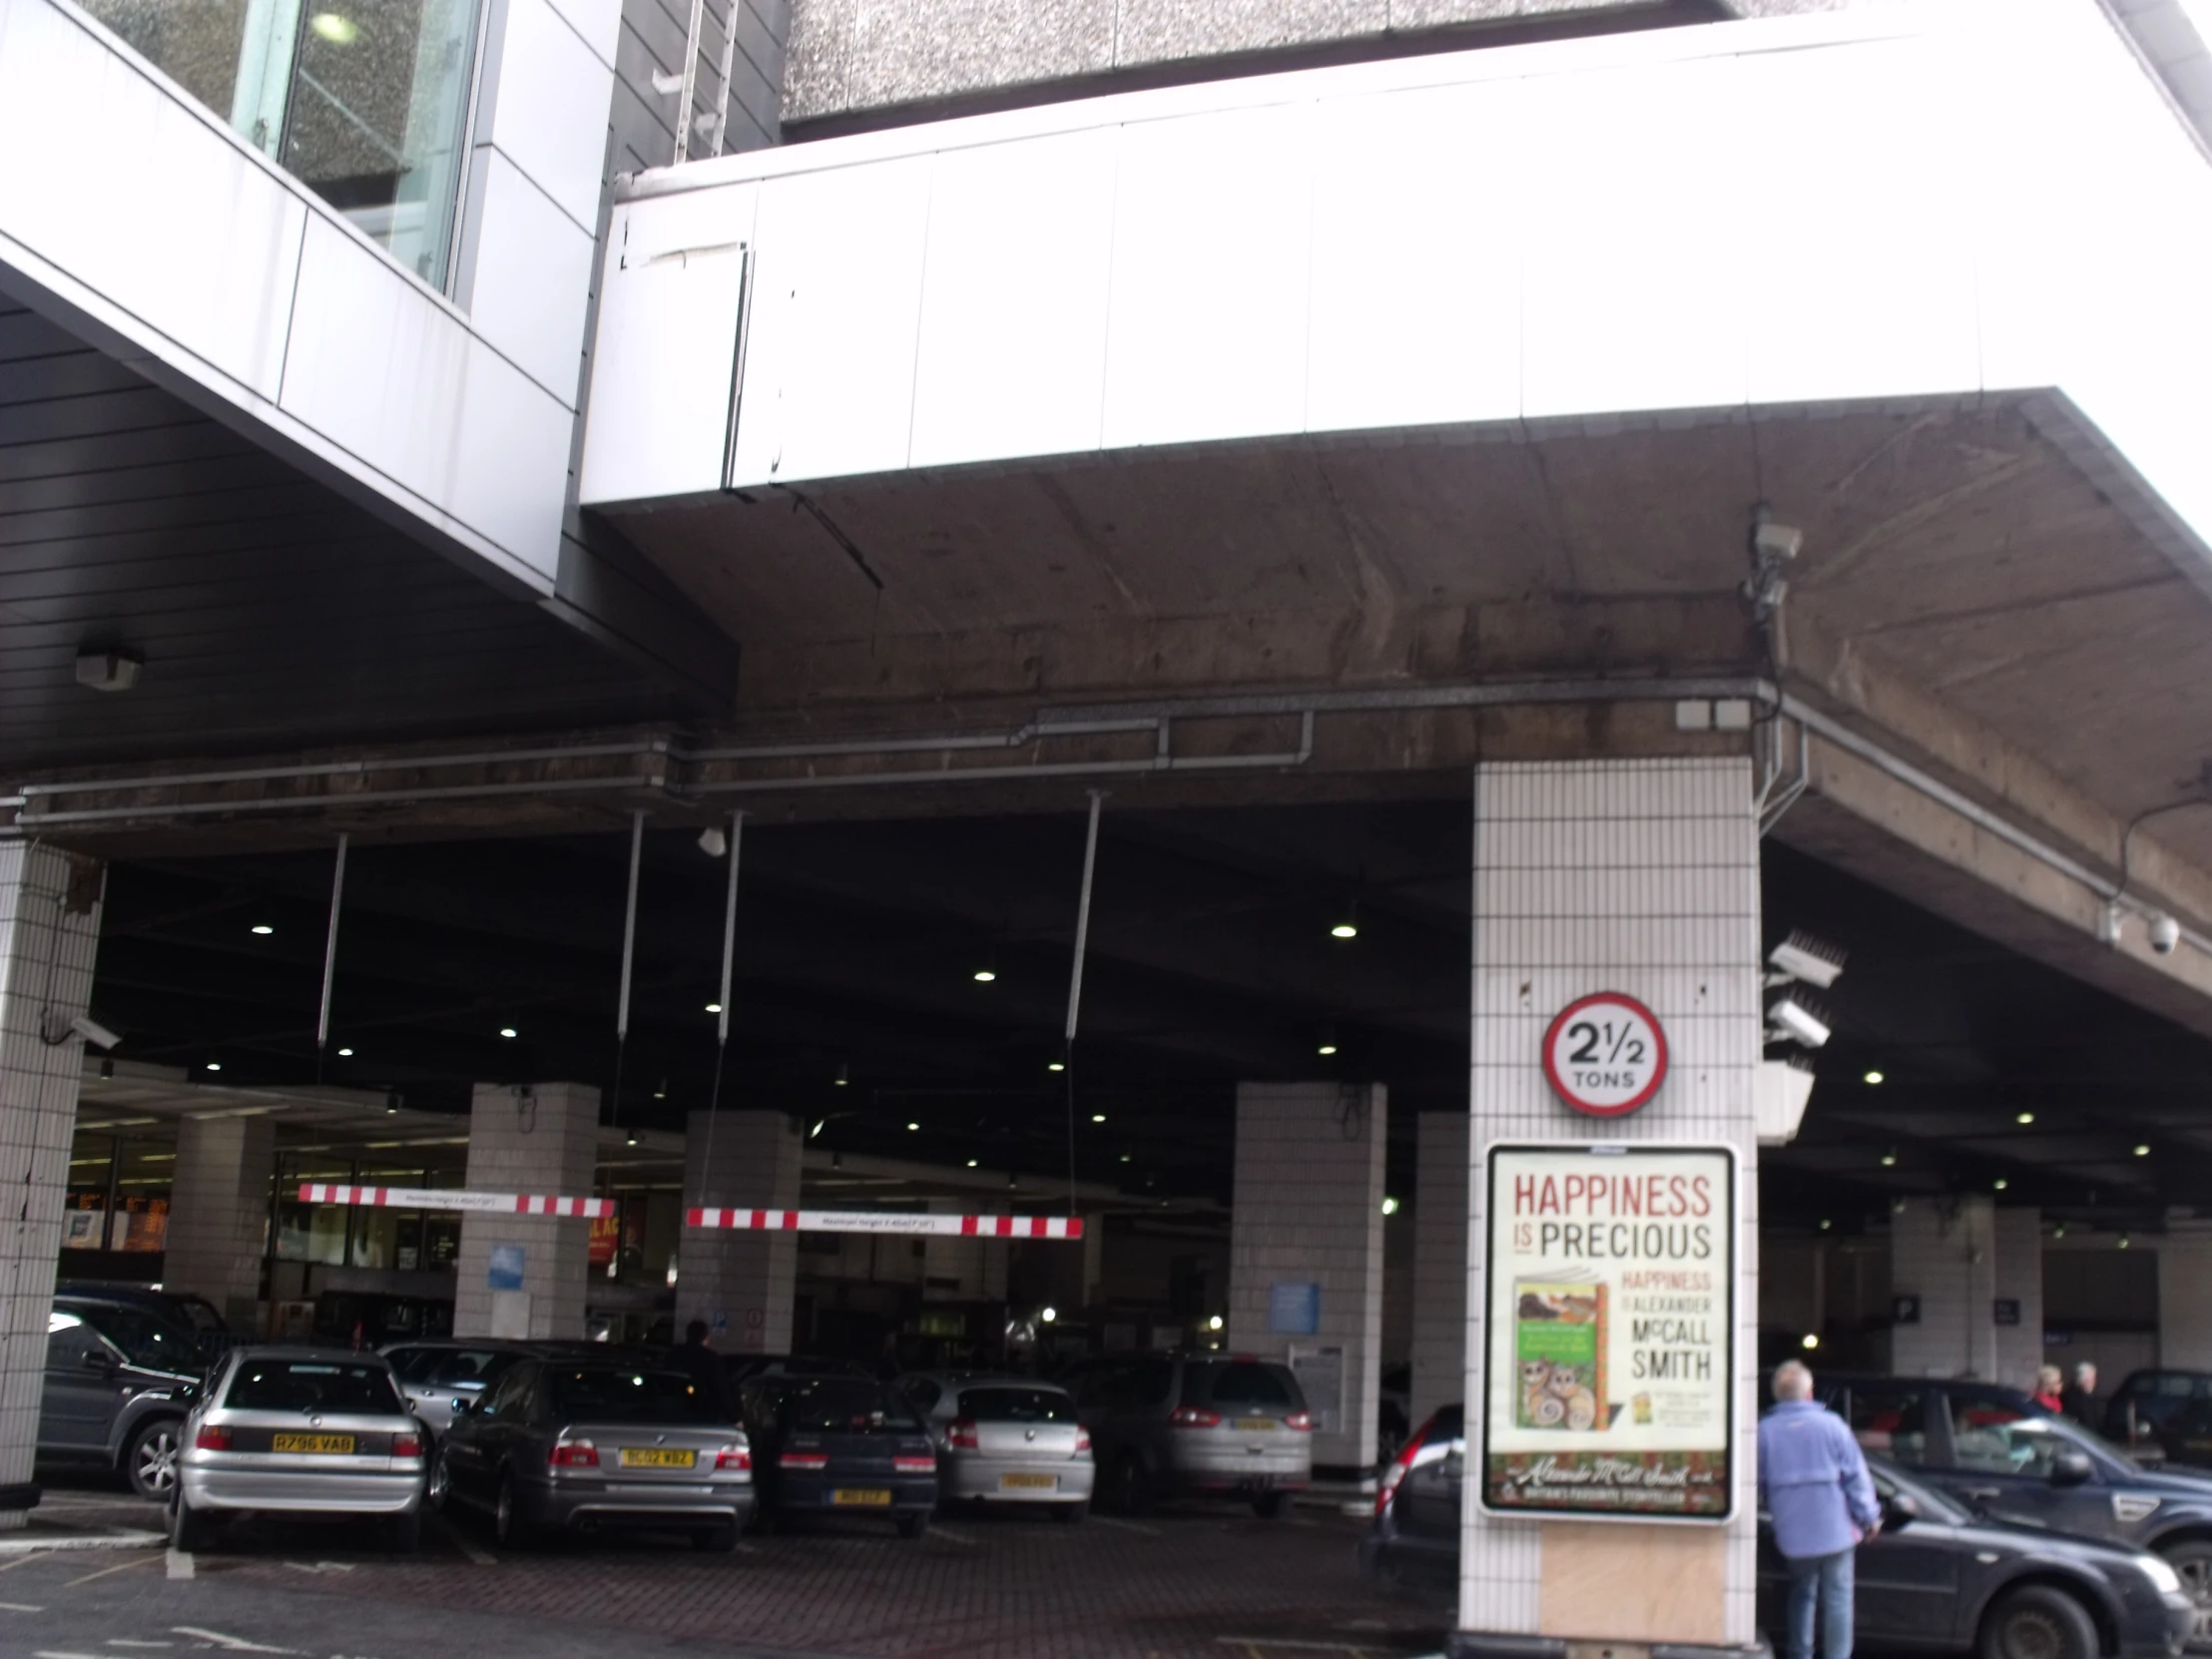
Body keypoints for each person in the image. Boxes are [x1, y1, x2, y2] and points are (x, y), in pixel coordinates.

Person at [1761, 1361, 1881, 1659]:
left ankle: (1800, 1654)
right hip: (1835, 1532)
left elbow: (1757, 1484)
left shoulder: (1763, 1433)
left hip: (1793, 1536)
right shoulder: (1833, 1426)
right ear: (1809, 1393)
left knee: (1801, 1594)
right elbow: (1857, 1478)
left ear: (1778, 1394)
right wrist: (1869, 1518)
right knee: (1839, 1599)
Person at [2062, 1362, 2099, 1430]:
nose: (2094, 1382)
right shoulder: (2072, 1398)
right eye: (2092, 1379)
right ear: (2082, 1380)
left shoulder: (2088, 1394)